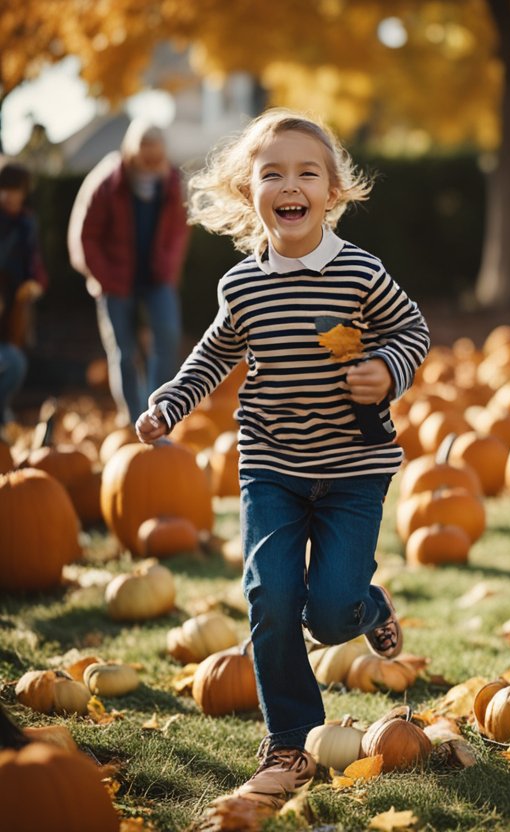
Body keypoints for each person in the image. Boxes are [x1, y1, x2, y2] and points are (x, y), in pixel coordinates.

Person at [133, 109, 431, 808]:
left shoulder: (360, 272)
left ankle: (367, 604)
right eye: (273, 173)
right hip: (271, 464)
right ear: (248, 191)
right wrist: (170, 402)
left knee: (329, 613)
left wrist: (387, 367)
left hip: (353, 468)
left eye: (307, 172)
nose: (290, 184)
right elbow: (213, 354)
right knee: (271, 596)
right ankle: (291, 741)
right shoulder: (242, 287)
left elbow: (410, 328)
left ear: (332, 193)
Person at [67, 119, 190, 424]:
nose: (152, 164)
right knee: (124, 350)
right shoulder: (108, 182)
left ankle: (158, 413)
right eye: (146, 157)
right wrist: (105, 278)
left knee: (168, 336)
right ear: (133, 153)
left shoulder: (171, 181)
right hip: (113, 279)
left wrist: (169, 267)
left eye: (157, 157)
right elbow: (86, 236)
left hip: (156, 276)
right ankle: (133, 417)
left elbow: (178, 231)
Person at [0, 160, 47, 428]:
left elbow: (35, 265)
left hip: (11, 312)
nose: (8, 196)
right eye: (4, 189)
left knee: (15, 363)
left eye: (14, 190)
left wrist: (34, 284)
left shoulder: (27, 224)